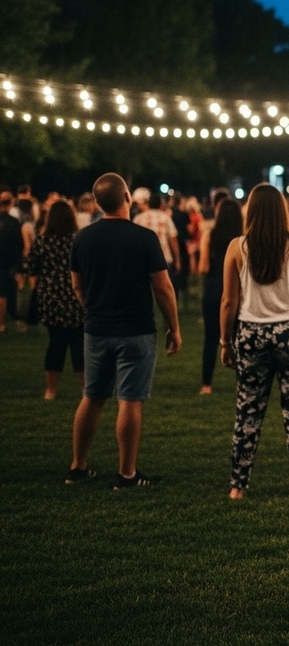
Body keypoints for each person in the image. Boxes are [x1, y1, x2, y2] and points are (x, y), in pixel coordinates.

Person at [67, 173, 181, 488]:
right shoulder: (143, 238)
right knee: (130, 399)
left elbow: (77, 284)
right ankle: (127, 473)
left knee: (92, 396)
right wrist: (174, 327)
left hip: (97, 327)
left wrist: (92, 306)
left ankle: (78, 466)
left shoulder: (83, 238)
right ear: (127, 198)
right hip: (136, 328)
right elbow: (163, 288)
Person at [219, 184, 289, 500]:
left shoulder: (236, 248)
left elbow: (229, 301)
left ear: (250, 211)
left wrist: (225, 343)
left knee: (248, 412)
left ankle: (237, 487)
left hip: (251, 333)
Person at [25, 201, 86, 399]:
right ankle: (85, 389)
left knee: (56, 344)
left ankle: (50, 390)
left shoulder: (43, 241)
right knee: (79, 344)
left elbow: (30, 267)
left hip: (50, 296)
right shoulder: (78, 240)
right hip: (76, 295)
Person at [198, 199, 243, 395]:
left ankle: (206, 384)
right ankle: (241, 383)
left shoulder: (210, 235)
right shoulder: (243, 239)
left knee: (210, 338)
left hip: (214, 287)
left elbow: (203, 267)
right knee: (239, 338)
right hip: (238, 290)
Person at [133, 194, 181, 283]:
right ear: (160, 204)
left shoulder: (139, 218)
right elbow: (173, 239)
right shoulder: (166, 218)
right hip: (164, 257)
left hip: (143, 260)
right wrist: (177, 259)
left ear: (148, 204)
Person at [0, 188, 22, 332]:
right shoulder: (13, 222)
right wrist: (19, 267)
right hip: (5, 262)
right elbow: (17, 246)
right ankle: (1, 324)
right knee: (2, 294)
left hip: (5, 261)